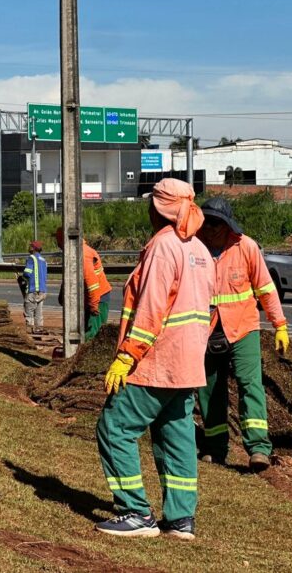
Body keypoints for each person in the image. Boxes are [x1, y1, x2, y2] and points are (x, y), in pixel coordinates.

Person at [95, 178, 215, 540]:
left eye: (151, 204)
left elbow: (151, 309)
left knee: (114, 428)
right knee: (176, 438)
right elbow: (210, 310)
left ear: (160, 208)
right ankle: (181, 520)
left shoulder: (163, 247)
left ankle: (135, 513)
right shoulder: (199, 250)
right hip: (189, 364)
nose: (148, 209)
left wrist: (126, 357)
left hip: (156, 362)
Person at [196, 197, 289, 472]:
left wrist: (279, 325)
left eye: (217, 223)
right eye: (207, 222)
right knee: (209, 390)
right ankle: (215, 448)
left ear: (227, 225)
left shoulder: (245, 246)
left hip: (243, 328)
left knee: (250, 385)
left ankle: (258, 448)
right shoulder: (193, 247)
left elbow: (266, 289)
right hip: (206, 328)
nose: (211, 228)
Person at [55, 228, 113, 339]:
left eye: (59, 242)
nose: (58, 245)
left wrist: (94, 306)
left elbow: (92, 284)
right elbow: (69, 277)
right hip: (89, 299)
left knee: (93, 334)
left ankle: (89, 354)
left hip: (98, 298)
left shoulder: (82, 254)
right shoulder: (73, 253)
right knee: (84, 331)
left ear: (63, 241)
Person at [22, 241, 48, 333]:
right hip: (42, 291)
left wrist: (22, 277)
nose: (29, 247)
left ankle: (30, 333)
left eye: (31, 246)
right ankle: (39, 332)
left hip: (33, 291)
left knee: (29, 313)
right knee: (39, 314)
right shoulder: (43, 260)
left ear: (34, 248)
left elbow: (27, 273)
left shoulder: (31, 258)